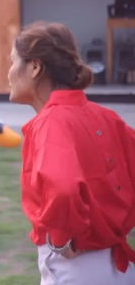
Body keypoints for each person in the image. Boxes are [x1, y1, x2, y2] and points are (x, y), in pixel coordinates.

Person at [8, 21, 135, 284]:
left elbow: (63, 188)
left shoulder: (51, 122)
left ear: (34, 67)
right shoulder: (106, 117)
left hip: (76, 266)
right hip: (120, 268)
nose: (8, 73)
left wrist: (61, 237)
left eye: (12, 62)